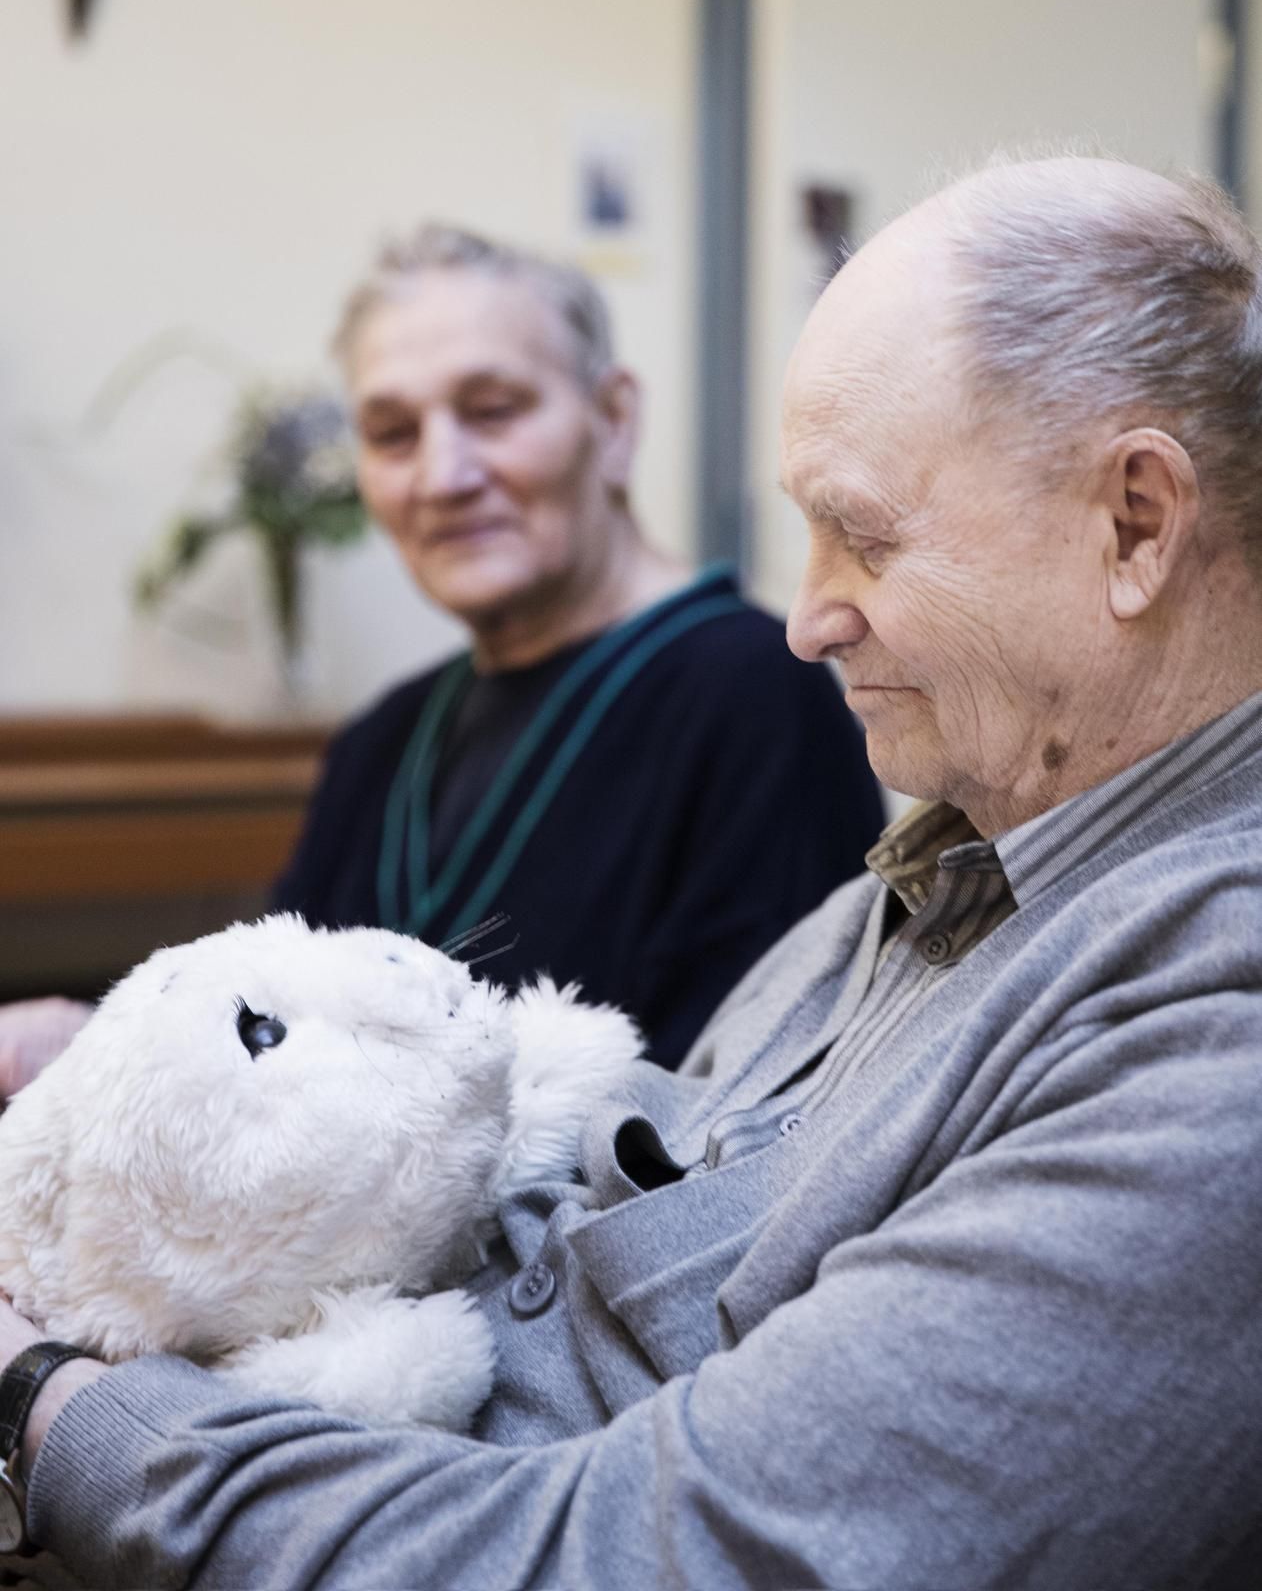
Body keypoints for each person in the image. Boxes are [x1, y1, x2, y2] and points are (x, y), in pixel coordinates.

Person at [5, 156, 1262, 1589]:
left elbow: (664, 1550)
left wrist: (55, 1407)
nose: (806, 619)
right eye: (392, 429)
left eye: (861, 535)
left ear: (1136, 525)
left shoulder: (1210, 1024)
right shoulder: (932, 872)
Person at [0, 228, 881, 1085]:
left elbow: (738, 1117)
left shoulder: (758, 696)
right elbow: (261, 1043)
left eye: (492, 411)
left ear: (613, 420)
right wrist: (96, 1051)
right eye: (391, 433)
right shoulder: (380, 743)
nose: (442, 475)